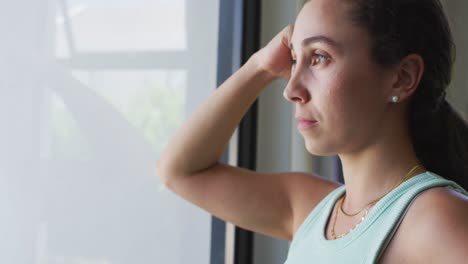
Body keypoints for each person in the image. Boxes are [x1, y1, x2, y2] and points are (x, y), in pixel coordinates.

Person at [157, 0, 468, 262]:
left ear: (402, 77)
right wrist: (259, 66)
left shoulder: (437, 219)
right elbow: (180, 171)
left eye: (320, 57)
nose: (291, 89)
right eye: (294, 59)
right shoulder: (310, 209)